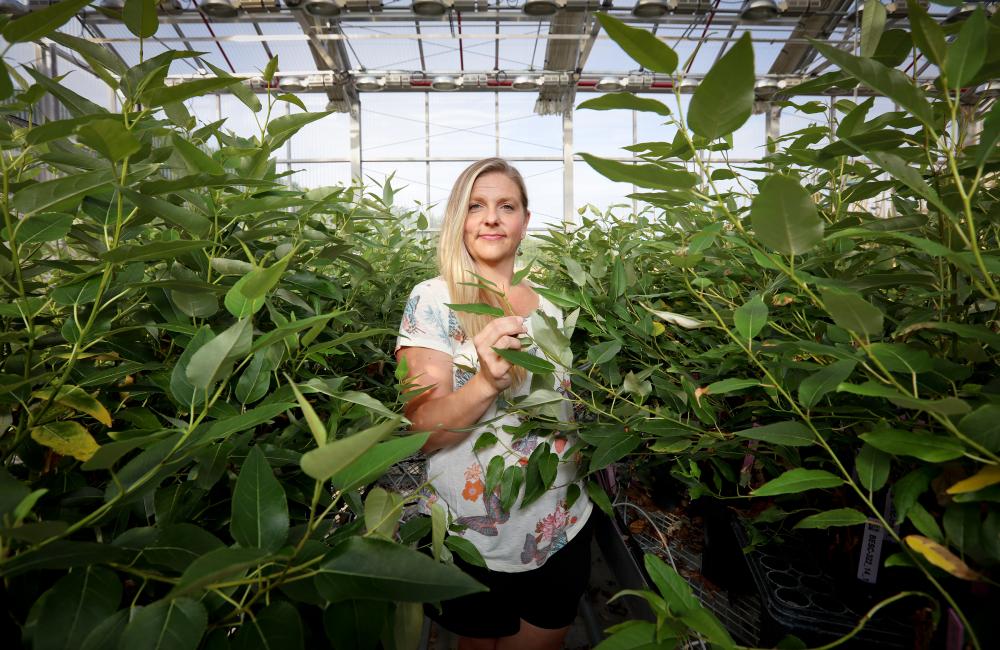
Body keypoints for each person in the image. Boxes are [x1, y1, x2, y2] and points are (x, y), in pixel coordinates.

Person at [395, 158, 593, 650]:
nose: (491, 218)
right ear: (458, 220)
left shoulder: (549, 307)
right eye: (476, 206)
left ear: (525, 221)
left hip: (561, 521)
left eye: (507, 206)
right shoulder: (433, 301)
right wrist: (485, 381)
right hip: (473, 536)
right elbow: (423, 430)